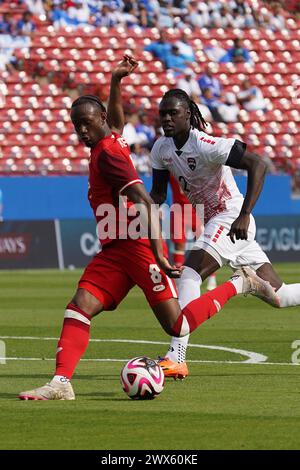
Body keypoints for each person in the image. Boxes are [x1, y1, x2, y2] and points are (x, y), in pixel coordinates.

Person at [18, 57, 272, 400]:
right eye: (76, 124)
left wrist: (156, 254)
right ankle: (61, 383)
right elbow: (116, 123)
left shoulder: (109, 155)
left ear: (99, 122)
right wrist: (115, 82)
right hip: (114, 250)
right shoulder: (111, 141)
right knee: (79, 305)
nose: (81, 131)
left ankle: (241, 283)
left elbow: (146, 202)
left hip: (137, 248)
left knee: (177, 325)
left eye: (86, 124)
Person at [150, 88, 300, 379]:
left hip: (230, 218)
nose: (167, 119)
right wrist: (137, 205)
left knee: (190, 274)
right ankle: (248, 283)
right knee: (279, 296)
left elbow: (258, 163)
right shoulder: (161, 149)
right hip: (218, 223)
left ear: (188, 114)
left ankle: (176, 356)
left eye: (173, 113)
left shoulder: (206, 144)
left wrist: (244, 214)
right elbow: (157, 194)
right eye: (162, 114)